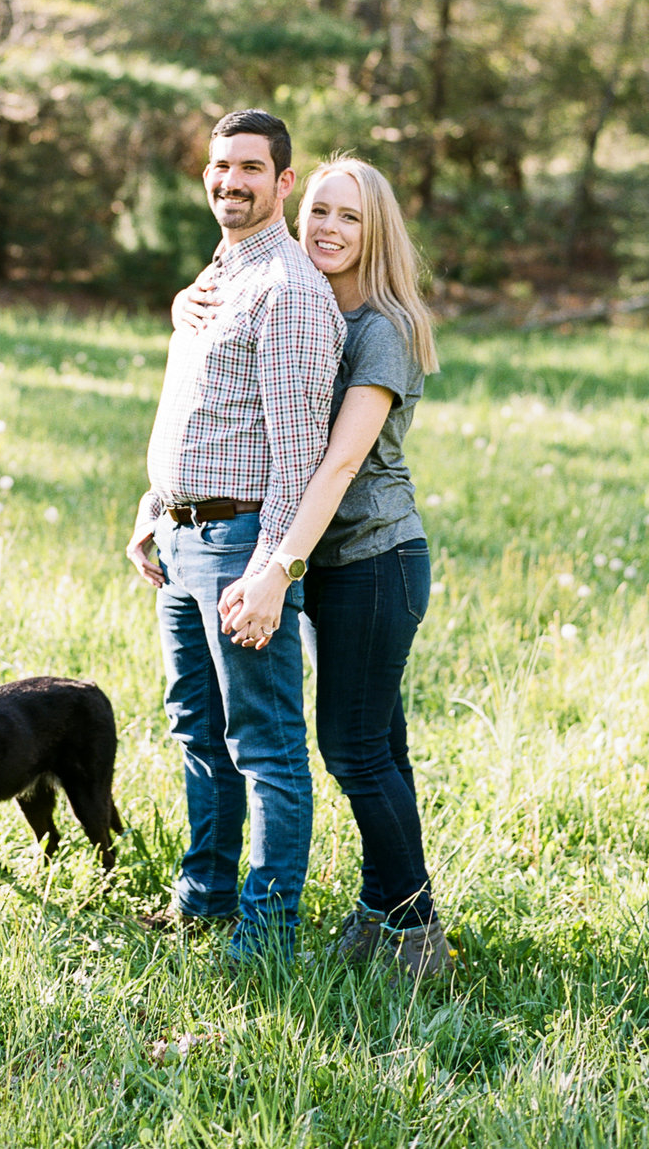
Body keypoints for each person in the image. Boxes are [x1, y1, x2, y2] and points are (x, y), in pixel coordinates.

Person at [178, 155, 449, 982]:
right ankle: (386, 909)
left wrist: (275, 570)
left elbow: (334, 467)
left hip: (373, 561)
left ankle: (414, 930)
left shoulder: (383, 328)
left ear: (377, 232)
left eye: (349, 217)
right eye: (319, 213)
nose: (328, 229)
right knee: (380, 747)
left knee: (354, 748)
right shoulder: (303, 301)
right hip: (326, 564)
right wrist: (186, 303)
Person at [124, 108, 344, 964]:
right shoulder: (223, 270)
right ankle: (204, 896)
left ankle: (265, 935)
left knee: (265, 742)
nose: (231, 181)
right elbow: (198, 408)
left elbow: (299, 459)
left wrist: (268, 574)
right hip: (181, 538)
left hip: (238, 544)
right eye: (220, 166)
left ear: (284, 181)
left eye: (251, 168)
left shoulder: (288, 289)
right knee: (195, 726)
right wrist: (153, 506)